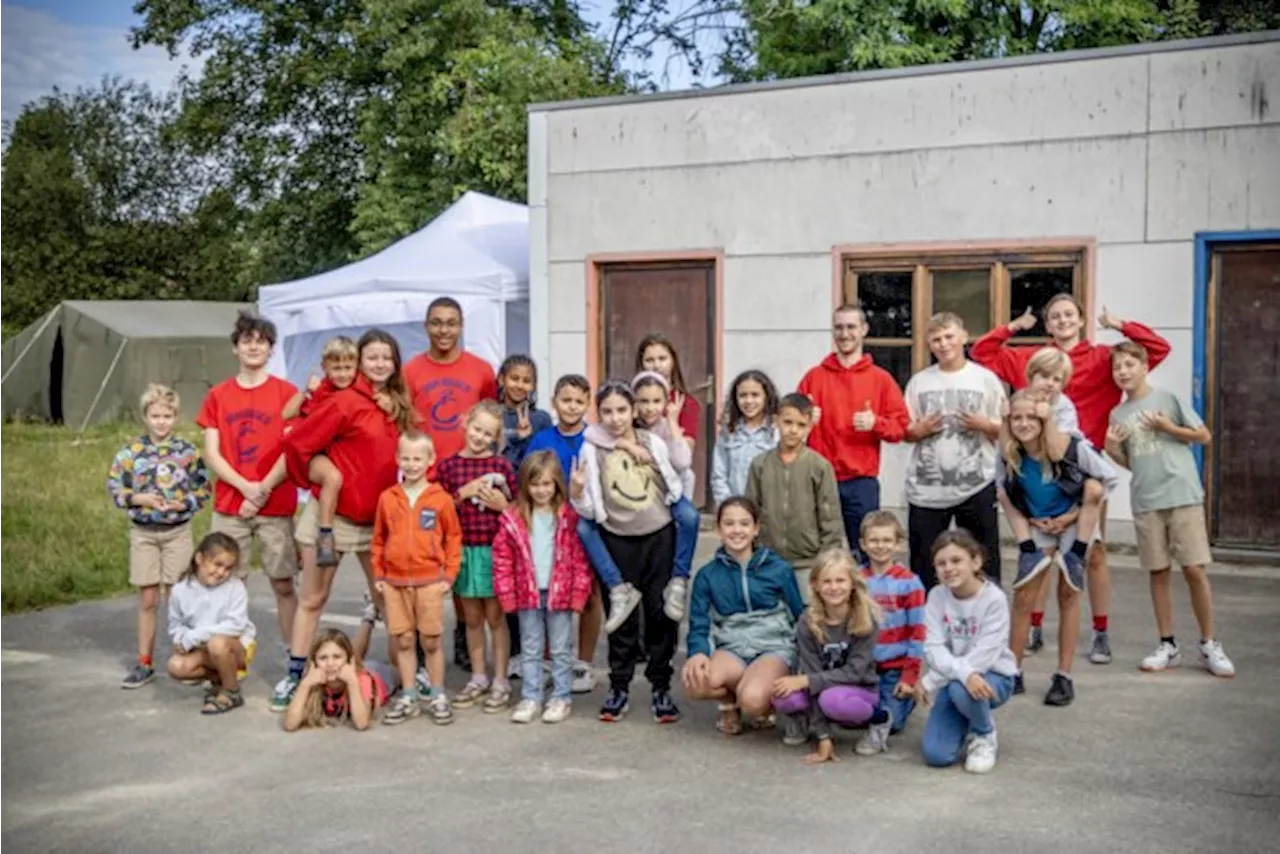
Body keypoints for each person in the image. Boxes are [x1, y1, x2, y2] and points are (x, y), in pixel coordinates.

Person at [972, 294, 1172, 666]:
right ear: (1048, 324)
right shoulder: (1033, 359)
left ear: (1081, 320)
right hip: (1036, 470)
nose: (1062, 321)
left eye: (1069, 314)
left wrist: (1120, 325)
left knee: (1091, 556)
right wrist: (1013, 327)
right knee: (1041, 555)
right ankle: (1034, 626)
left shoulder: (1101, 358)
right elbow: (983, 352)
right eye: (1055, 317)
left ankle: (1100, 631)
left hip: (1083, 468)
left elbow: (1155, 351)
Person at [271, 329, 413, 712]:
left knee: (389, 602)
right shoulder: (344, 401)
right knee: (313, 598)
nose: (380, 364)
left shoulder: (396, 404)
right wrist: (317, 479)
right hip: (332, 518)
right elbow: (297, 443)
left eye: (387, 357)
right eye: (373, 357)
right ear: (359, 361)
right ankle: (296, 673)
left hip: (378, 520)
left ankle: (412, 680)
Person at [1105, 342, 1235, 678]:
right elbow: (1132, 461)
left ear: (1145, 366)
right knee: (1158, 572)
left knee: (1194, 569)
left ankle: (1210, 643)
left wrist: (1168, 428)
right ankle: (1167, 644)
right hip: (1147, 499)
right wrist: (1110, 449)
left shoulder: (1167, 399)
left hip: (1182, 494)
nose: (1123, 372)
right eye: (1117, 367)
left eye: (1129, 364)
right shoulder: (1117, 415)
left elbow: (1203, 436)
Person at [570, 381, 683, 723]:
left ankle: (660, 687)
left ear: (633, 411)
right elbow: (589, 509)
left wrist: (674, 501)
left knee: (660, 613)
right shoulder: (591, 448)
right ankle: (618, 686)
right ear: (598, 413)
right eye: (607, 411)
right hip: (616, 538)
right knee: (620, 616)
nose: (615, 418)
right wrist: (576, 493)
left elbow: (673, 481)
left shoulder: (652, 442)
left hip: (658, 536)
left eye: (622, 410)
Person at [1002, 390, 1118, 706]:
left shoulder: (1071, 447)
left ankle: (1063, 676)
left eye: (1031, 417)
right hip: (1037, 524)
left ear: (1044, 419)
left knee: (1068, 592)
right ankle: (1013, 670)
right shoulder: (1008, 454)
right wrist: (1027, 540)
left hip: (1073, 522)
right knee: (1024, 594)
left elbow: (1106, 481)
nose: (1024, 423)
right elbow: (1006, 499)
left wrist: (1071, 516)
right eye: (1016, 418)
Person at [403, 296, 499, 670]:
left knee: (468, 560)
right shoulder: (411, 370)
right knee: (428, 561)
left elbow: (491, 419)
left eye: (451, 323)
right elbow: (403, 422)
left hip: (471, 481)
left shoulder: (481, 370)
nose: (444, 330)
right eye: (437, 322)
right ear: (426, 326)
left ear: (461, 327)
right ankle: (426, 635)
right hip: (427, 481)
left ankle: (464, 629)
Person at [198, 312, 299, 654]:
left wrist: (261, 492)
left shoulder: (287, 393)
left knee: (283, 582)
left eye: (261, 342)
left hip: (276, 502)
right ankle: (226, 655)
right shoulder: (218, 395)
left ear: (271, 349)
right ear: (235, 348)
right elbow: (212, 454)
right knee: (227, 581)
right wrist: (246, 488)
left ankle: (294, 654)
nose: (253, 347)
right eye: (247, 341)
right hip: (231, 504)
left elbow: (293, 450)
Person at [108, 383, 210, 689]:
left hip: (177, 531)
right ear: (145, 417)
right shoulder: (130, 453)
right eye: (155, 415)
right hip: (144, 533)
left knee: (178, 597)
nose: (161, 421)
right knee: (148, 598)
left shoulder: (187, 453)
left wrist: (185, 503)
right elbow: (115, 487)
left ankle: (187, 658)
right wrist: (138, 499)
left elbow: (203, 489)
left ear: (175, 417)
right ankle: (145, 662)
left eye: (167, 415)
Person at [583, 371, 701, 622]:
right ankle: (617, 588)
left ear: (631, 410)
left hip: (667, 500)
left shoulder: (659, 434)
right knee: (585, 528)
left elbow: (682, 462)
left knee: (689, 517)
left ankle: (679, 580)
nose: (650, 409)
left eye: (656, 401)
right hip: (620, 522)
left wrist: (672, 424)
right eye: (608, 411)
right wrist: (626, 445)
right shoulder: (600, 437)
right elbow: (591, 433)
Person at [682, 498, 805, 737]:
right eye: (729, 523)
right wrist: (698, 652)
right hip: (732, 646)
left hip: (772, 646)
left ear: (756, 528)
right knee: (696, 682)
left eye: (744, 523)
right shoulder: (707, 575)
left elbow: (799, 614)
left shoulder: (779, 569)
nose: (737, 530)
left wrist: (804, 662)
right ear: (719, 529)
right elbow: (699, 622)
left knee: (753, 701)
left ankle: (761, 703)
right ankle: (729, 703)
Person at [903, 313, 1006, 587]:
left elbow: (1009, 429)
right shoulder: (919, 382)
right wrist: (919, 431)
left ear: (963, 337)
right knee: (925, 564)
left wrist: (984, 425)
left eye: (949, 336)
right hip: (927, 489)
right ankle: (927, 623)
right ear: (928, 344)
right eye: (936, 339)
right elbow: (905, 431)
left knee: (983, 560)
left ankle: (987, 621)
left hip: (976, 484)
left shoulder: (985, 379)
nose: (943, 344)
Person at [798, 304, 908, 555]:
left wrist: (876, 423)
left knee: (867, 553)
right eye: (838, 327)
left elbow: (900, 428)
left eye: (851, 327)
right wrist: (806, 423)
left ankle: (864, 595)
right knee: (821, 553)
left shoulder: (881, 379)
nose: (844, 333)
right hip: (819, 478)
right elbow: (790, 426)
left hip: (861, 482)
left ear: (864, 330)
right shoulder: (814, 377)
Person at [493, 451, 594, 724]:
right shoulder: (513, 518)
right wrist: (506, 594)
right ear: (525, 485)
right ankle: (531, 696)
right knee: (531, 646)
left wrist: (578, 593)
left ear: (557, 484)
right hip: (527, 592)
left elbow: (580, 559)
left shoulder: (568, 517)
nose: (541, 490)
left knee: (561, 647)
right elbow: (502, 559)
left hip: (558, 591)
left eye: (547, 484)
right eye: (535, 484)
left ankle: (561, 696)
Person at [372, 432, 463, 726]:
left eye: (418, 459)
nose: (412, 465)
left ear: (430, 460)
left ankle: (437, 694)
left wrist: (448, 575)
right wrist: (379, 574)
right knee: (405, 639)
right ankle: (409, 694)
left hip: (429, 582)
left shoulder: (441, 499)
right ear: (398, 459)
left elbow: (453, 538)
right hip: (396, 583)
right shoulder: (388, 498)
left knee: (431, 640)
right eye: (406, 458)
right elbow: (378, 540)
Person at [436, 400, 519, 712]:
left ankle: (500, 679)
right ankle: (478, 676)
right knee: (471, 618)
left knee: (496, 618)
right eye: (477, 429)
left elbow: (518, 511)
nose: (480, 437)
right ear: (464, 424)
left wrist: (503, 505)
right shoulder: (448, 467)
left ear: (495, 438)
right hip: (461, 552)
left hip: (495, 552)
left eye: (488, 433)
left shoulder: (501, 467)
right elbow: (435, 510)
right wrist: (462, 494)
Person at [526, 374, 601, 694]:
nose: (572, 407)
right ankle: (548, 660)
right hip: (547, 526)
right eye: (566, 400)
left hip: (585, 525)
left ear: (587, 405)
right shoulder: (541, 439)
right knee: (547, 593)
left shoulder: (595, 439)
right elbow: (528, 479)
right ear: (554, 402)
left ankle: (582, 662)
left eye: (579, 401)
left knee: (587, 594)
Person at [920, 531, 1018, 774]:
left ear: (976, 562)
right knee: (937, 755)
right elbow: (933, 647)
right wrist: (961, 674)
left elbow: (986, 654)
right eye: (941, 563)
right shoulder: (935, 596)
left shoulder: (994, 599)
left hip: (994, 676)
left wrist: (931, 680)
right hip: (957, 678)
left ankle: (984, 734)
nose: (948, 568)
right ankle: (969, 717)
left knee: (960, 688)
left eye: (956, 561)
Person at [773, 547, 882, 764]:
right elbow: (812, 674)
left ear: (852, 583)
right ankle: (808, 722)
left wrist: (807, 680)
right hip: (822, 686)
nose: (834, 587)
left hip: (860, 688)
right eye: (827, 581)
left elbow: (855, 672)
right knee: (782, 693)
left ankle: (879, 721)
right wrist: (824, 737)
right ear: (815, 584)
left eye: (840, 581)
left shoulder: (865, 620)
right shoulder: (808, 622)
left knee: (831, 700)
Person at [1018, 348, 1084, 654]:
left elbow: (1061, 453)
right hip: (1037, 503)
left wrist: (1071, 514)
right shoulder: (1019, 405)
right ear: (1031, 376)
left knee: (1069, 582)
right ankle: (1033, 627)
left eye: (1057, 379)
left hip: (1068, 497)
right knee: (1035, 573)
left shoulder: (1065, 408)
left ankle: (1066, 663)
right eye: (1044, 376)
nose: (1049, 384)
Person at [745, 393, 843, 595]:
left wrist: (826, 562)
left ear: (810, 427)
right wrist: (752, 553)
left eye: (801, 425)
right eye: (787, 422)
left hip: (808, 562)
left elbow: (830, 518)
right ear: (776, 421)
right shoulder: (760, 465)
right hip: (768, 559)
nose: (793, 430)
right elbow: (750, 510)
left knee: (806, 616)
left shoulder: (819, 466)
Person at [280, 336, 364, 567]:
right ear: (325, 367)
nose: (343, 374)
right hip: (314, 450)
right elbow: (286, 415)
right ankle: (325, 533)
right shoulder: (322, 391)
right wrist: (305, 392)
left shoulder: (358, 391)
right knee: (332, 477)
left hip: (335, 451)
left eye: (348, 368)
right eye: (336, 368)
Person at [855, 511, 926, 755]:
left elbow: (918, 632)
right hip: (864, 664)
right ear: (863, 544)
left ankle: (907, 697)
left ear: (898, 543)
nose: (880, 546)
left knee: (892, 724)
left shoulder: (910, 583)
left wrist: (909, 674)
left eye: (887, 540)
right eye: (873, 540)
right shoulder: (856, 579)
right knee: (850, 717)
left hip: (895, 665)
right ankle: (879, 700)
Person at [166, 532, 255, 715]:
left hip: (235, 647)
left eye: (228, 568)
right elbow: (175, 623)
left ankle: (232, 691)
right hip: (202, 648)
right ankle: (220, 678)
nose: (222, 572)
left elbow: (235, 625)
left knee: (217, 643)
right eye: (217, 564)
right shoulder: (180, 590)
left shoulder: (235, 588)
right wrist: (181, 639)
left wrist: (193, 636)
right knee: (175, 665)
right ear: (200, 558)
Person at [282, 628, 394, 731]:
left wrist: (352, 683)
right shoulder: (312, 679)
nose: (330, 664)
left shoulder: (362, 679)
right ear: (314, 662)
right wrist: (304, 685)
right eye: (323, 658)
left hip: (381, 676)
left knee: (397, 670)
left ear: (349, 660)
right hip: (360, 666)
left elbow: (362, 723)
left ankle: (368, 620)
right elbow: (290, 725)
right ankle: (368, 619)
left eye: (337, 657)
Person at [711, 369, 779, 507]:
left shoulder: (776, 431)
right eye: (743, 395)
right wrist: (728, 505)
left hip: (768, 510)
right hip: (735, 508)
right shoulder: (728, 432)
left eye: (755, 395)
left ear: (766, 396)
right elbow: (719, 474)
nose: (748, 401)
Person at [635, 333, 701, 456]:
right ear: (641, 364)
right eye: (650, 360)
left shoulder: (686, 402)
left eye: (662, 359)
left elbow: (686, 453)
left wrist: (672, 423)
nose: (656, 365)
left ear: (673, 361)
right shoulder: (632, 399)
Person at [497, 354, 554, 470]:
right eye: (514, 378)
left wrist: (525, 439)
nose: (520, 385)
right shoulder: (492, 416)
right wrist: (517, 438)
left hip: (532, 485)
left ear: (533, 386)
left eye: (526, 381)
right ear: (502, 380)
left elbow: (545, 462)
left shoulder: (541, 419)